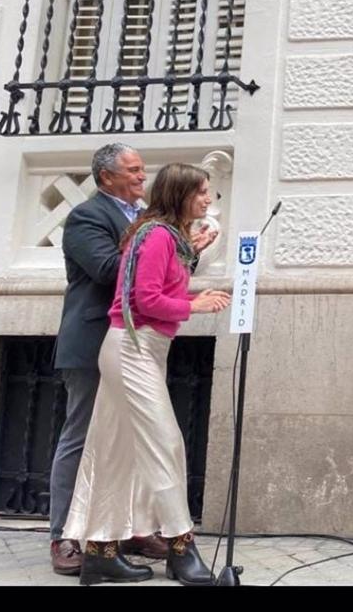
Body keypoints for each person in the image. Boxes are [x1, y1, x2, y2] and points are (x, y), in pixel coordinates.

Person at [61, 163, 231, 585]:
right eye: (202, 191)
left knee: (115, 451)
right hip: (132, 350)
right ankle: (181, 547)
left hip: (141, 350)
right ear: (181, 194)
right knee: (166, 443)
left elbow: (158, 288)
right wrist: (195, 305)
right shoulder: (155, 235)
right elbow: (143, 299)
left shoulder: (163, 235)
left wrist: (193, 263)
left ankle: (100, 552)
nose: (209, 199)